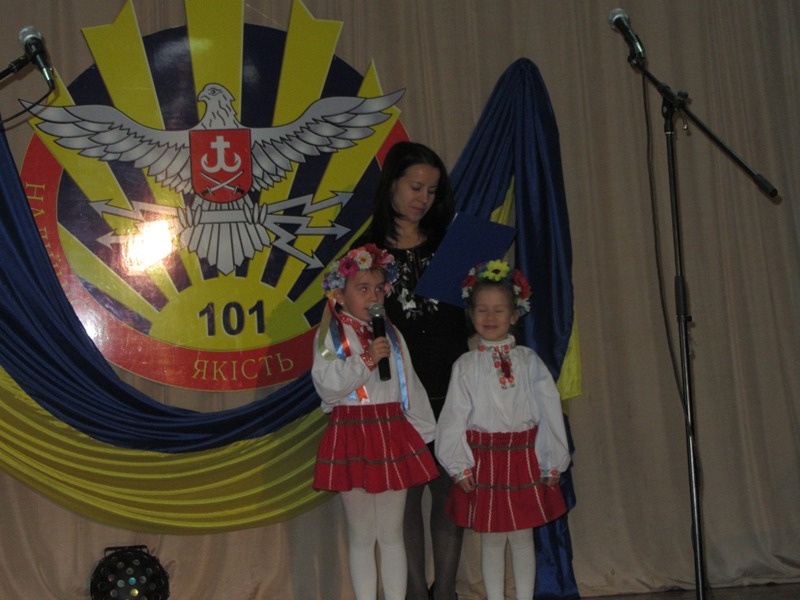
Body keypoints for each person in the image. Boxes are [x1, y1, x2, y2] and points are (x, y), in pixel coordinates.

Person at [355, 141, 469, 600]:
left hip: (451, 382)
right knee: (404, 500)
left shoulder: (450, 247)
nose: (424, 198)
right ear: (392, 186)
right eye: (416, 187)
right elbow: (350, 326)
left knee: (450, 491)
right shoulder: (366, 255)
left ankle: (446, 592)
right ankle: (415, 593)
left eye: (432, 190)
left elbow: (472, 316)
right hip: (397, 393)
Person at [435, 260, 571, 600]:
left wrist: (551, 459)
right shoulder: (466, 366)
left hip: (524, 458)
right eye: (482, 309)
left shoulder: (528, 361)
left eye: (499, 309)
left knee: (523, 537)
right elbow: (453, 418)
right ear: (471, 314)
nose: (490, 316)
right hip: (485, 461)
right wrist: (458, 465)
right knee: (492, 539)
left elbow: (549, 410)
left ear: (514, 315)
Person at [312, 243, 439, 600]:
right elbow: (328, 386)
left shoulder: (391, 335)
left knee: (392, 533)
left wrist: (424, 434)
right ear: (340, 294)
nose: (372, 296)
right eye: (362, 288)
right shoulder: (331, 336)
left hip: (391, 432)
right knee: (362, 534)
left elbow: (409, 384)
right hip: (352, 432)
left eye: (378, 289)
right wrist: (366, 359)